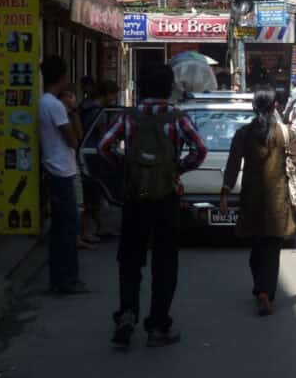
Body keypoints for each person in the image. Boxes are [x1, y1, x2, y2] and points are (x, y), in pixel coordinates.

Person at [98, 64, 207, 348]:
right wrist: (177, 170)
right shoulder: (177, 118)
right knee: (165, 263)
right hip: (166, 198)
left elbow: (104, 146)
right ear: (168, 87)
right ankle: (158, 326)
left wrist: (127, 168)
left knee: (130, 261)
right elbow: (200, 150)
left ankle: (127, 314)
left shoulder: (128, 117)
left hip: (135, 197)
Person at [219, 87, 296, 316]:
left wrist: (225, 194)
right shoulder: (286, 133)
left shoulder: (243, 134)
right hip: (277, 199)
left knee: (256, 247)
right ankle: (267, 292)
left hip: (251, 199)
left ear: (253, 107)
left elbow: (233, 165)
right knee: (272, 249)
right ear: (274, 106)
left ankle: (260, 290)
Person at [38, 56, 87, 295]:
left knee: (60, 228)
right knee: (69, 227)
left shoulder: (45, 102)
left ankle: (59, 278)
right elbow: (74, 139)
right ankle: (67, 278)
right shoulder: (54, 105)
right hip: (61, 170)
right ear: (62, 77)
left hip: (55, 168)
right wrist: (72, 110)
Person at [78, 79, 120, 245]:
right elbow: (104, 137)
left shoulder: (84, 106)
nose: (115, 98)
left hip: (83, 151)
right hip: (93, 154)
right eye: (114, 94)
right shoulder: (100, 113)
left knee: (93, 192)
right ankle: (87, 231)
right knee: (94, 193)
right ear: (107, 94)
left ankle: (99, 226)